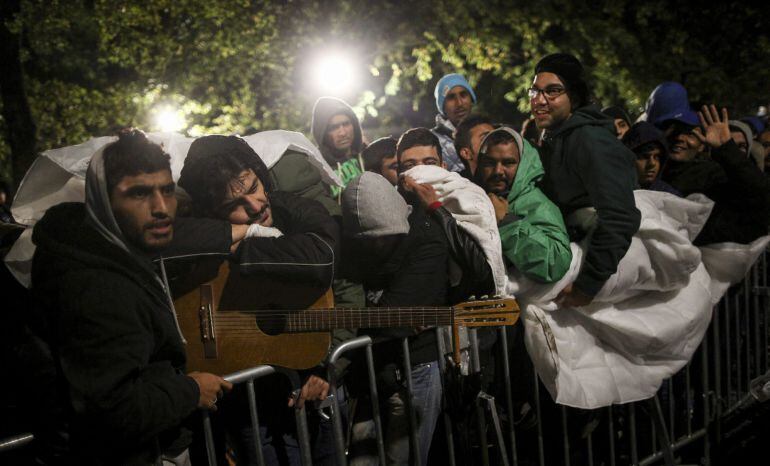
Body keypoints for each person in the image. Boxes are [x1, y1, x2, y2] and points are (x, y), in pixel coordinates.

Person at [28, 130, 232, 465]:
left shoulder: (113, 255)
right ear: (103, 201)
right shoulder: (95, 285)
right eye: (139, 193)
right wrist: (190, 392)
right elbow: (113, 410)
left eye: (167, 190)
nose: (162, 208)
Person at [177, 135, 341, 466]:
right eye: (233, 206)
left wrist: (242, 243)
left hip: (312, 379)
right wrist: (229, 234)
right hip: (249, 402)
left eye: (254, 187)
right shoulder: (200, 227)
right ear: (211, 213)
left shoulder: (294, 208)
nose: (255, 206)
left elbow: (323, 259)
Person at [341, 172, 447, 466]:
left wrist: (360, 317)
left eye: (383, 238)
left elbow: (393, 313)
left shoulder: (426, 238)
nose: (375, 248)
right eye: (367, 240)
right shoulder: (355, 244)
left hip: (413, 369)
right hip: (370, 372)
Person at [531, 52, 641, 307]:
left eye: (553, 91)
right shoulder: (556, 137)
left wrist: (587, 286)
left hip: (602, 277)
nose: (539, 100)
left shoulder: (590, 140)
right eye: (535, 91)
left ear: (575, 97)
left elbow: (620, 216)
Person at [660, 105, 770, 245]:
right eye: (675, 132)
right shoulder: (649, 170)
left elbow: (760, 194)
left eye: (690, 134)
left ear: (701, 145)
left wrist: (727, 149)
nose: (680, 138)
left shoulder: (712, 174)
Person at [475, 126, 572, 283]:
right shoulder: (472, 196)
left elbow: (555, 263)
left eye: (508, 163)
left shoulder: (539, 205)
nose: (498, 170)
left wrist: (507, 221)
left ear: (523, 165)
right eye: (489, 162)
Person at [311, 96, 366, 200]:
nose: (343, 133)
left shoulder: (368, 155)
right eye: (334, 127)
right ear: (322, 133)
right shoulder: (316, 168)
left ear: (354, 125)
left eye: (346, 124)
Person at [431, 73, 477, 173]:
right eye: (451, 97)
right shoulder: (431, 141)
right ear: (442, 106)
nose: (459, 103)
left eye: (463, 95)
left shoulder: (485, 132)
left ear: (471, 99)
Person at [621, 121, 681, 195]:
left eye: (657, 157)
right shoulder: (614, 191)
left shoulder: (669, 196)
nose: (652, 163)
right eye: (644, 157)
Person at [453, 114, 496, 179]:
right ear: (466, 153)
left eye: (496, 137)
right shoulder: (457, 186)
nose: (496, 142)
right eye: (486, 138)